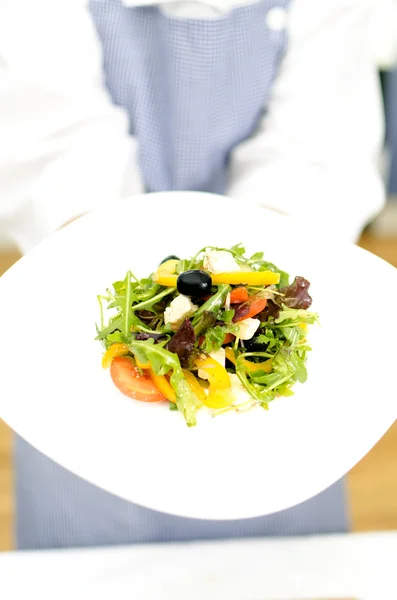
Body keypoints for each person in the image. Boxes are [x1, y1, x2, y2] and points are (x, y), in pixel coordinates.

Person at [0, 0, 385, 549]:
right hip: (88, 336)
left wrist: (242, 288)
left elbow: (321, 139)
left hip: (270, 417)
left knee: (273, 567)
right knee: (90, 558)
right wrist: (116, 270)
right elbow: (50, 135)